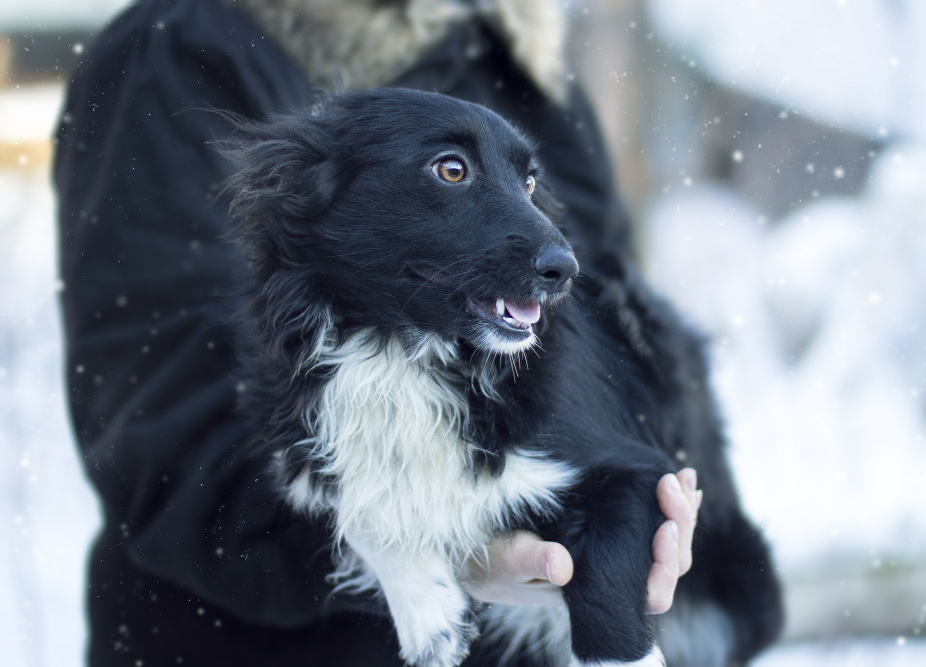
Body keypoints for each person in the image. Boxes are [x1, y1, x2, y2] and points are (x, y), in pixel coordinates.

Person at [55, 1, 702, 664]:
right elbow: (164, 431)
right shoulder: (176, 48)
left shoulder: (524, 69)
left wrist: (655, 527)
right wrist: (423, 544)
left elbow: (616, 343)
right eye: (451, 169)